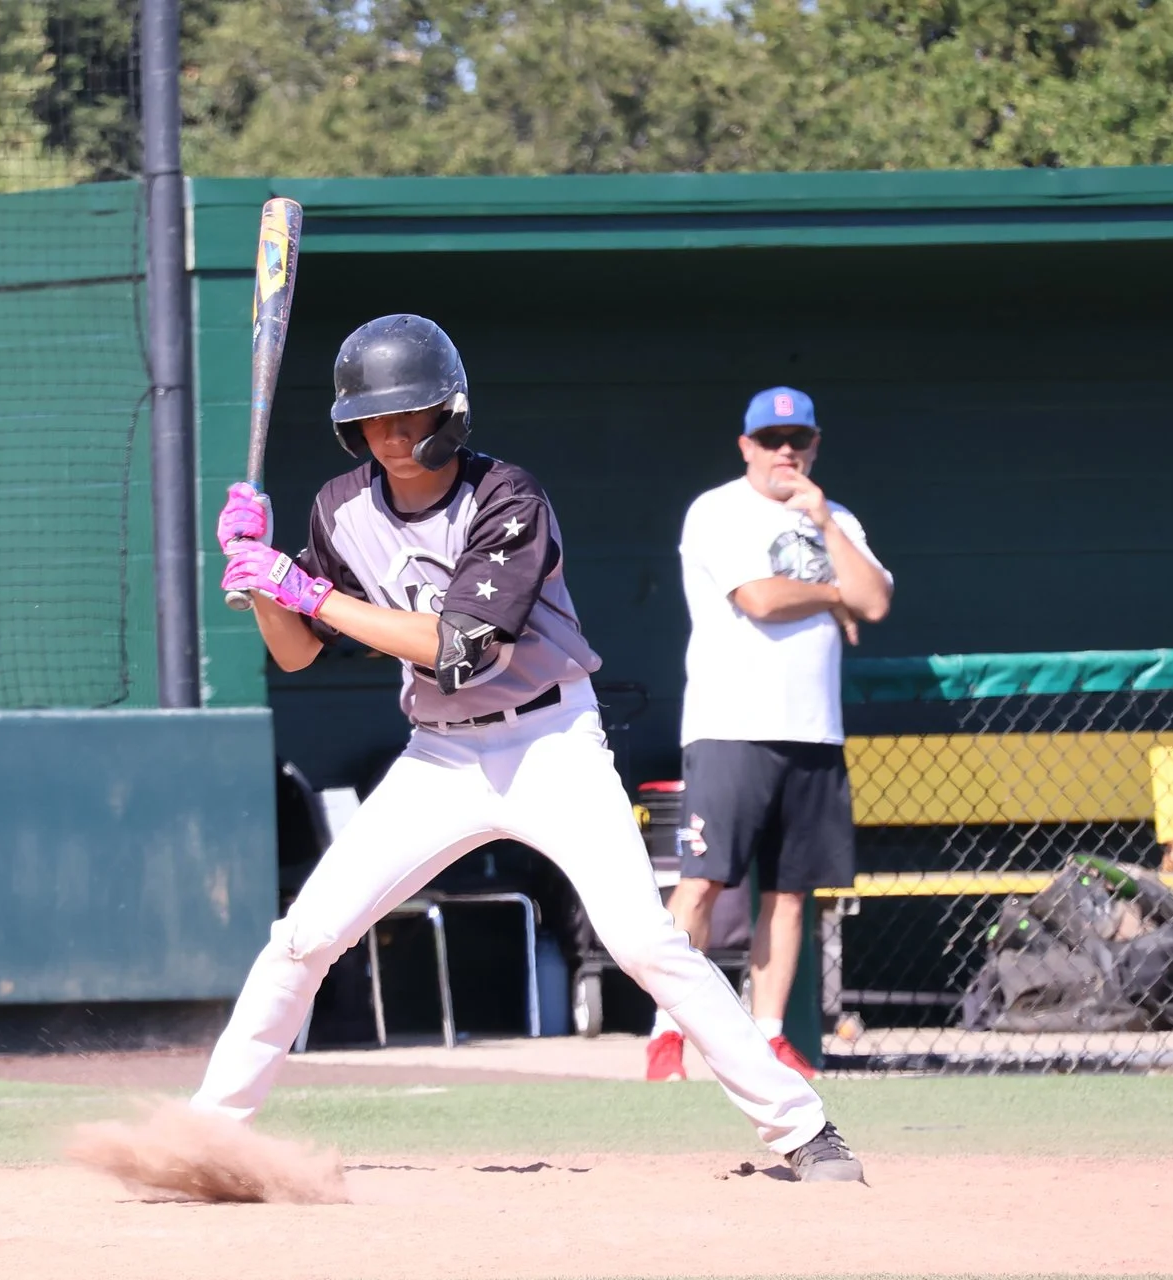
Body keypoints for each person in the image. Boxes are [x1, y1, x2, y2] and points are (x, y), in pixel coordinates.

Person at [204, 315, 862, 1181]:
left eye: (413, 416)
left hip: (550, 740)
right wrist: (263, 581)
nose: (395, 438)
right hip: (438, 754)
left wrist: (307, 590)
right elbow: (295, 650)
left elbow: (459, 647)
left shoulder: (509, 497)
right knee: (303, 938)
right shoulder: (340, 508)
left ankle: (805, 1130)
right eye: (376, 422)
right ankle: (210, 1133)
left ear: (453, 412)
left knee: (643, 942)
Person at [649, 388, 892, 1083]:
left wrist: (825, 523)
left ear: (814, 445)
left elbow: (874, 598)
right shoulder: (717, 509)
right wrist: (832, 592)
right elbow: (758, 598)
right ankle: (668, 1032)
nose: (786, 450)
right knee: (702, 883)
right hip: (731, 727)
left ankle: (771, 1033)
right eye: (772, 437)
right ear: (747, 445)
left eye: (799, 438)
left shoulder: (835, 516)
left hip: (813, 731)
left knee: (791, 894)